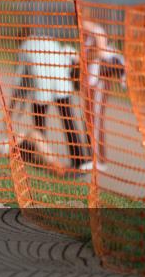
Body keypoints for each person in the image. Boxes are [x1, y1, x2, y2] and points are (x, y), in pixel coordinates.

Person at [8, 35, 92, 172]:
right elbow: (70, 54)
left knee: (39, 125)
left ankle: (40, 157)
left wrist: (10, 109)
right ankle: (80, 161)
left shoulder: (24, 47)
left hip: (42, 86)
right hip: (61, 82)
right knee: (69, 121)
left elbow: (19, 80)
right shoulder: (48, 39)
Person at [80, 20, 126, 170]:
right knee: (88, 119)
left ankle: (100, 160)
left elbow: (99, 52)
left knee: (96, 120)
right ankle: (92, 157)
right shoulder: (86, 36)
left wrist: (85, 56)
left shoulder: (97, 31)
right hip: (90, 83)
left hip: (100, 81)